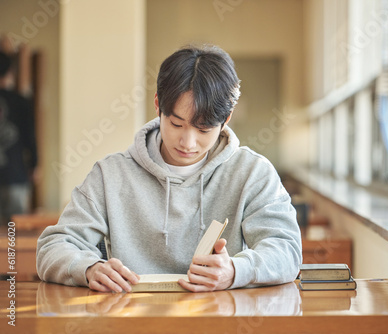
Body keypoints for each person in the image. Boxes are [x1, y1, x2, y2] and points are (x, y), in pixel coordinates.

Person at [37, 45, 302, 293]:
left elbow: (287, 250)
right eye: (176, 124)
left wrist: (235, 270)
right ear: (157, 106)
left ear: (226, 120)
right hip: (131, 320)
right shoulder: (110, 175)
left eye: (203, 130)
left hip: (218, 320)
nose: (188, 143)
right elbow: (53, 247)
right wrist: (88, 268)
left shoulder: (252, 172)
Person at [0, 51, 38, 226]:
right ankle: (12, 256)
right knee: (15, 231)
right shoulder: (20, 102)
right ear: (9, 73)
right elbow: (30, 136)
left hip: (14, 174)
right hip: (15, 174)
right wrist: (35, 165)